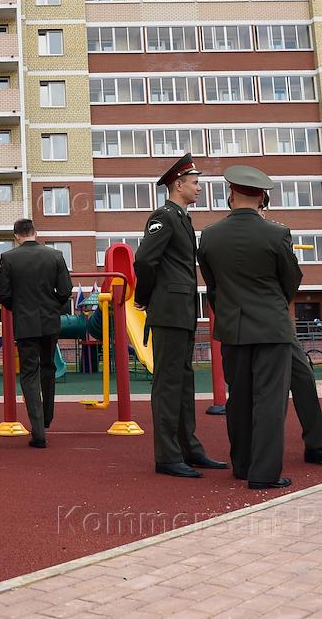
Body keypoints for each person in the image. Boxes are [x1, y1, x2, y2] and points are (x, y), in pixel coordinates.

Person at [198, 165, 302, 490]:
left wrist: (229, 311)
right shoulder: (277, 234)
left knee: (239, 399)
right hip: (272, 327)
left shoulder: (210, 235)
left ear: (231, 195)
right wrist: (273, 304)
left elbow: (212, 285)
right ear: (262, 198)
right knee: (270, 400)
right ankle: (264, 473)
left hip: (232, 327)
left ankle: (242, 465)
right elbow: (291, 280)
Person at [134, 152, 227, 479]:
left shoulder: (182, 218)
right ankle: (167, 456)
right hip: (169, 312)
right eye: (195, 183)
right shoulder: (164, 216)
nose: (199, 188)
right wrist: (144, 297)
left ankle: (189, 448)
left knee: (184, 383)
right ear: (178, 184)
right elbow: (144, 260)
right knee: (168, 385)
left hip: (182, 311)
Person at [258, 202, 322, 465]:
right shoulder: (236, 235)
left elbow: (291, 277)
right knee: (266, 389)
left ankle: (316, 444)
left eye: (264, 207)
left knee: (303, 377)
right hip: (252, 321)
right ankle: (260, 456)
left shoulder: (275, 233)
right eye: (259, 206)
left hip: (279, 320)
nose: (263, 212)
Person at [0, 219, 73, 448]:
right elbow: (65, 290)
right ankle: (47, 416)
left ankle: (38, 431)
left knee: (29, 373)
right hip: (50, 321)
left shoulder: (9, 258)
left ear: (16, 236)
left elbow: (2, 293)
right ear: (35, 232)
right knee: (48, 366)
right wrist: (53, 306)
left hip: (25, 323)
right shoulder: (55, 255)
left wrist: (18, 307)